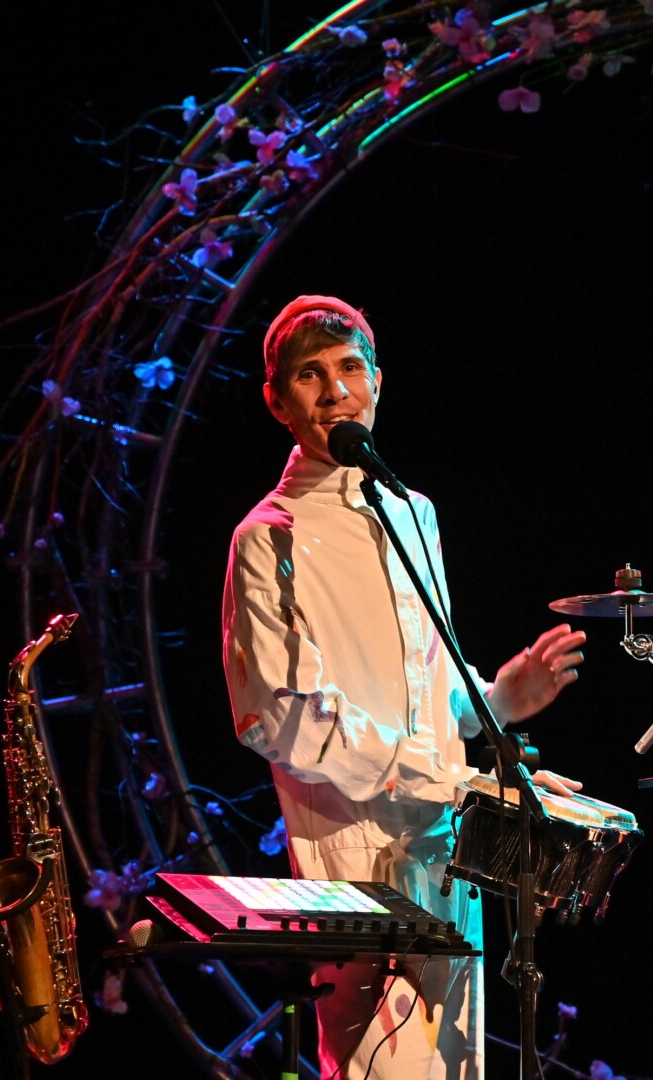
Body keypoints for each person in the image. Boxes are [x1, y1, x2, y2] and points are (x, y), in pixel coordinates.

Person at [222, 295, 587, 1078]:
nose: (335, 392)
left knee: (456, 1067)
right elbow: (280, 721)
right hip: (354, 858)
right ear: (277, 402)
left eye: (349, 369)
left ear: (378, 382)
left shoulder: (412, 513)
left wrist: (497, 702)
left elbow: (428, 690)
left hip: (448, 848)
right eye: (310, 375)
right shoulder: (269, 537)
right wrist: (449, 779)